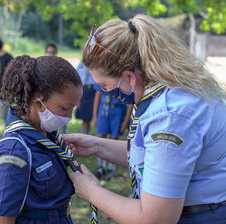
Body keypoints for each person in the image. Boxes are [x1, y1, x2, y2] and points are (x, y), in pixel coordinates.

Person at [62, 14, 226, 224]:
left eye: (104, 85)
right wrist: (96, 146)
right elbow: (159, 159)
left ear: (130, 77)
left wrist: (92, 192)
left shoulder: (171, 117)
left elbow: (156, 219)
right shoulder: (167, 90)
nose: (103, 92)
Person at [0, 55, 82, 223]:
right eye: (65, 108)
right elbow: (4, 220)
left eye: (73, 108)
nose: (69, 116)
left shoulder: (48, 136)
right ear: (38, 100)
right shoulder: (14, 152)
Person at [92, 89, 132, 181]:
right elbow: (98, 93)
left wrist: (126, 121)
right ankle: (101, 167)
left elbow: (130, 100)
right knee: (100, 137)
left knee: (114, 139)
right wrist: (94, 116)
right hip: (104, 109)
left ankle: (110, 168)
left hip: (118, 109)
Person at [75, 61, 96, 135]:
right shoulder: (80, 64)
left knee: (97, 118)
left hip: (95, 91)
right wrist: (77, 99)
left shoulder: (96, 63)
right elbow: (76, 81)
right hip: (83, 91)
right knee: (85, 119)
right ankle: (85, 136)